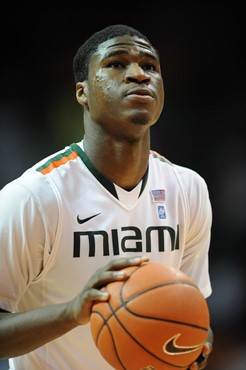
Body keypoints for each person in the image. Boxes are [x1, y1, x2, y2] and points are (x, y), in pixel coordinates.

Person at [0, 24, 213, 369]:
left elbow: (193, 313)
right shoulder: (34, 197)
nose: (138, 75)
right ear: (81, 92)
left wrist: (194, 344)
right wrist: (71, 313)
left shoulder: (188, 189)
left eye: (150, 67)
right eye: (116, 63)